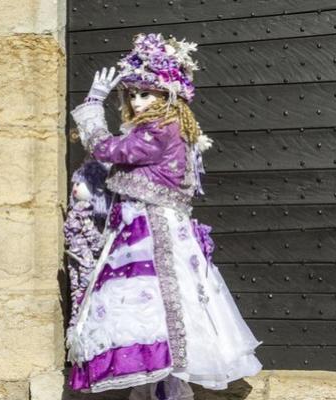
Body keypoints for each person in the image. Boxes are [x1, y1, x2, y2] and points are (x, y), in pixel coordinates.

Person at [66, 32, 263, 398]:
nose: (138, 102)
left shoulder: (159, 129)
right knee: (157, 320)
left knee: (158, 313)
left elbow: (107, 148)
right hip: (148, 228)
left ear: (168, 95)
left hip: (151, 233)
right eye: (132, 95)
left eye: (146, 94)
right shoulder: (170, 128)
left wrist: (94, 104)